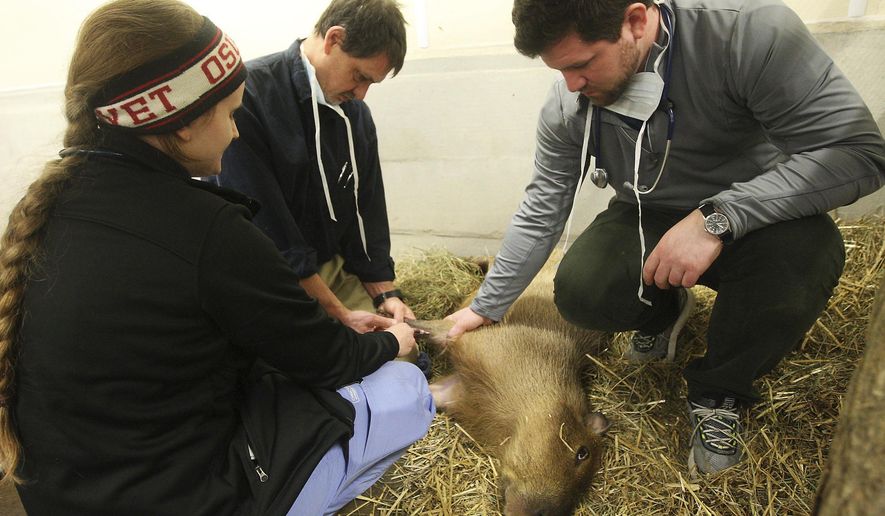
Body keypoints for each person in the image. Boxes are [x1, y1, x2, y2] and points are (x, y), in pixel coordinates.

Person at [0, 1, 433, 514]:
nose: (235, 131)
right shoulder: (209, 228)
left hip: (63, 494)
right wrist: (391, 342)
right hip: (188, 496)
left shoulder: (47, 206)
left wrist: (364, 298)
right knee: (406, 387)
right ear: (183, 122)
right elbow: (326, 359)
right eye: (230, 114)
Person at [447, 0, 885, 474]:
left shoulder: (747, 34)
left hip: (758, 213)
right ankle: (662, 310)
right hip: (648, 214)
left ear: (635, 21)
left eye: (581, 64)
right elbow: (543, 206)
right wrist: (485, 306)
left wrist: (717, 217)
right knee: (582, 288)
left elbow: (858, 153)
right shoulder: (568, 102)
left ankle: (722, 389)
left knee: (807, 256)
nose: (571, 85)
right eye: (559, 70)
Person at [213, 0, 416, 334]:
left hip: (326, 265)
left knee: (395, 348)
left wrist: (385, 292)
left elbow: (367, 205)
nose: (361, 95)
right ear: (333, 40)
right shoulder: (249, 97)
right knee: (328, 358)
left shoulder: (355, 113)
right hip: (269, 277)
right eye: (359, 76)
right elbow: (267, 228)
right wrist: (339, 313)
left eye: (370, 84)